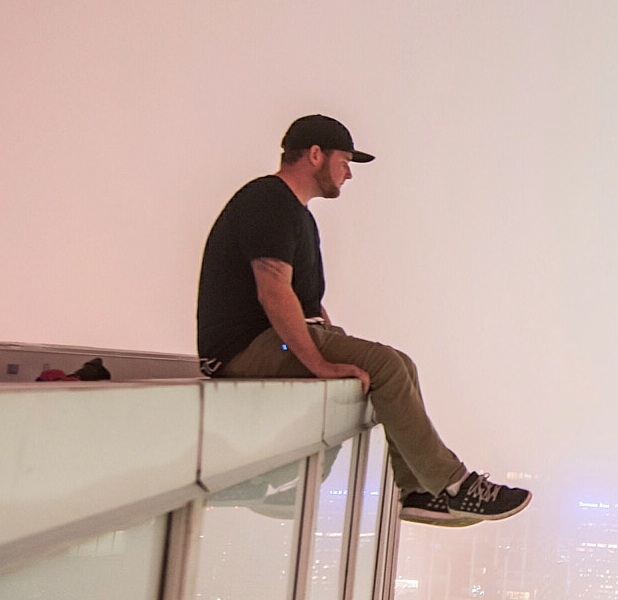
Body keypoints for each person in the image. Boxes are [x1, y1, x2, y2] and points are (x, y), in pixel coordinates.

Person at [197, 115, 529, 524]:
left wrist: (335, 342)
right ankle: (455, 486)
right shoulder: (269, 200)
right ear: (315, 155)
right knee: (385, 365)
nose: (349, 173)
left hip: (267, 342)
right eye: (345, 160)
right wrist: (320, 363)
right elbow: (273, 290)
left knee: (398, 363)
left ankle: (418, 491)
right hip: (245, 350)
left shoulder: (294, 213)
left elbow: (305, 304)